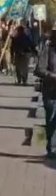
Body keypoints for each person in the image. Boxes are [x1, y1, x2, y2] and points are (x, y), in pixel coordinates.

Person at [34, 30, 56, 159]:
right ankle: (51, 148)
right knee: (51, 120)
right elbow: (39, 70)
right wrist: (53, 76)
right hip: (51, 92)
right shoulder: (48, 50)